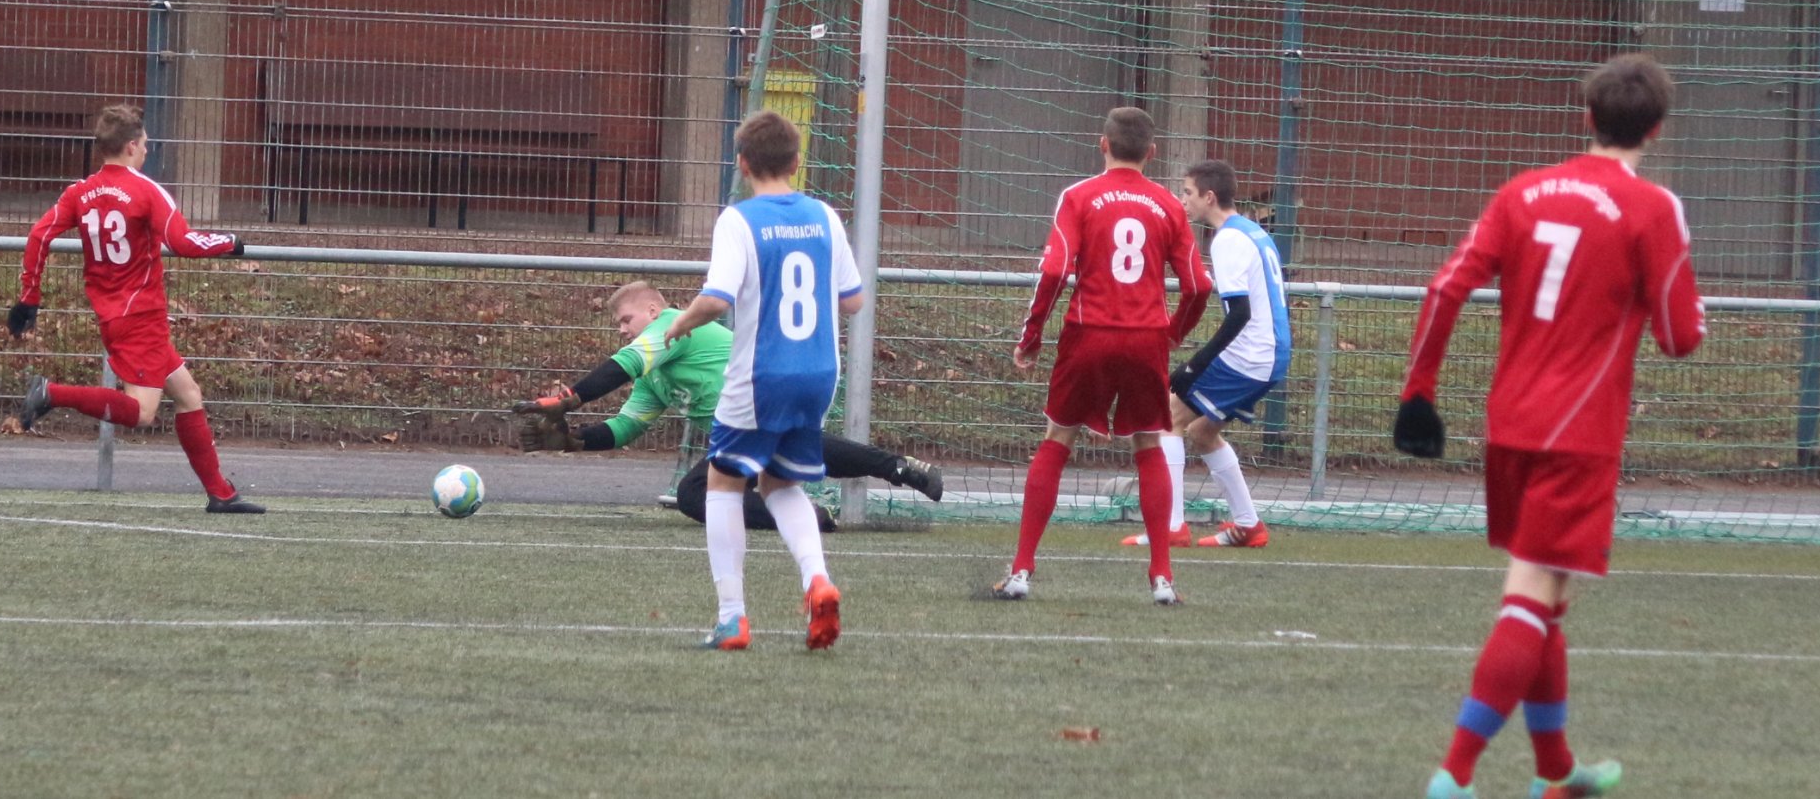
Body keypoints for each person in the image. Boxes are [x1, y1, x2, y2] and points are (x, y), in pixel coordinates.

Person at [1396, 53, 1704, 799]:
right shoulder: (1652, 208)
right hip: (1580, 433)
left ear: (1587, 116)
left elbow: (1446, 287)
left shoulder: (1524, 191)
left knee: (1549, 602)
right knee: (1531, 593)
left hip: (1509, 424)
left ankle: (1556, 773)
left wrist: (1419, 392)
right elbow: (1679, 336)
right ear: (1656, 129)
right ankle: (1455, 775)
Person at [512, 280, 945, 532]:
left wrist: (573, 396)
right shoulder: (654, 370)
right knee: (697, 494)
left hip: (767, 397)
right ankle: (819, 510)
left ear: (652, 309)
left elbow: (621, 366)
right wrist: (574, 440)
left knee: (771, 455)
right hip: (741, 427)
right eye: (619, 326)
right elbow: (626, 427)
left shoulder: (670, 327)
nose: (622, 330)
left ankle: (891, 471)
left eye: (626, 321)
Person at [663, 110, 863, 651]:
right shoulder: (824, 216)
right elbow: (853, 299)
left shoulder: (738, 220)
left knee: (723, 483)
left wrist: (681, 321)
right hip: (818, 374)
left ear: (743, 162)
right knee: (781, 484)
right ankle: (817, 580)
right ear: (798, 162)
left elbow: (717, 297)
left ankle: (732, 617)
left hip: (761, 375)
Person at [994, 106, 1210, 605]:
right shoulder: (1168, 206)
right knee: (1150, 445)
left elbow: (1053, 273)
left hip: (1088, 334)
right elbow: (1199, 285)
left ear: (1103, 145)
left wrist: (1031, 337)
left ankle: (1023, 569)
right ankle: (1161, 579)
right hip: (1145, 339)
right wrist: (1173, 332)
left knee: (1057, 439)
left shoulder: (1079, 196)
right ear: (1152, 153)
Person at [8, 104, 263, 514]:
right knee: (142, 413)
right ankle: (52, 393)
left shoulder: (80, 192)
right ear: (131, 146)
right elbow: (183, 241)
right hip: (140, 317)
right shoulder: (145, 190)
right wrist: (230, 241)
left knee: (188, 394)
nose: (147, 150)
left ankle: (221, 493)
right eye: (145, 143)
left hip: (117, 316)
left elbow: (39, 235)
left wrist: (29, 297)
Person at [1122, 160, 1287, 550]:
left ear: (1209, 197)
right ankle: (1248, 526)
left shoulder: (1227, 240)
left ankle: (1172, 526)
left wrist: (1194, 365)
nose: (1183, 201)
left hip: (1251, 356)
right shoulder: (1253, 232)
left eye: (1188, 193)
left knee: (1168, 417)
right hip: (1272, 354)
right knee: (1201, 430)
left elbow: (1241, 314)